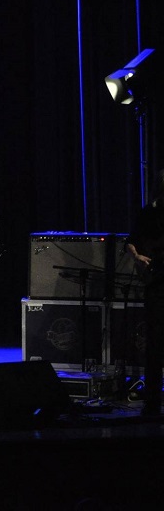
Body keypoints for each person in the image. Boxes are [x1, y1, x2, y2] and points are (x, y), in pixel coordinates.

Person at [126, 169, 164, 417]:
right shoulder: (147, 212)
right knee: (155, 343)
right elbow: (131, 241)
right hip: (156, 282)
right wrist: (137, 256)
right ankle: (152, 402)